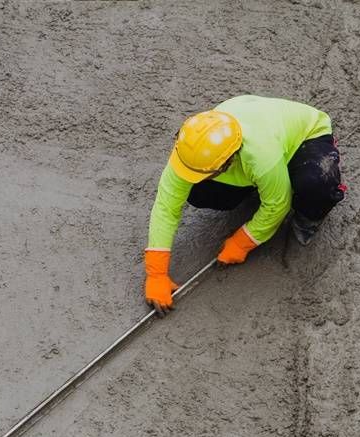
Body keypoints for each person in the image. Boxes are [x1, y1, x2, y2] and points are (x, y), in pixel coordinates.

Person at [144, 95, 346, 315]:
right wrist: (156, 273)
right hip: (257, 148)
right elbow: (166, 206)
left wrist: (243, 242)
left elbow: (278, 204)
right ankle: (262, 184)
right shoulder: (191, 150)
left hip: (305, 137)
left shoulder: (260, 154)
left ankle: (310, 215)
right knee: (197, 191)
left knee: (315, 184)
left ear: (227, 162)